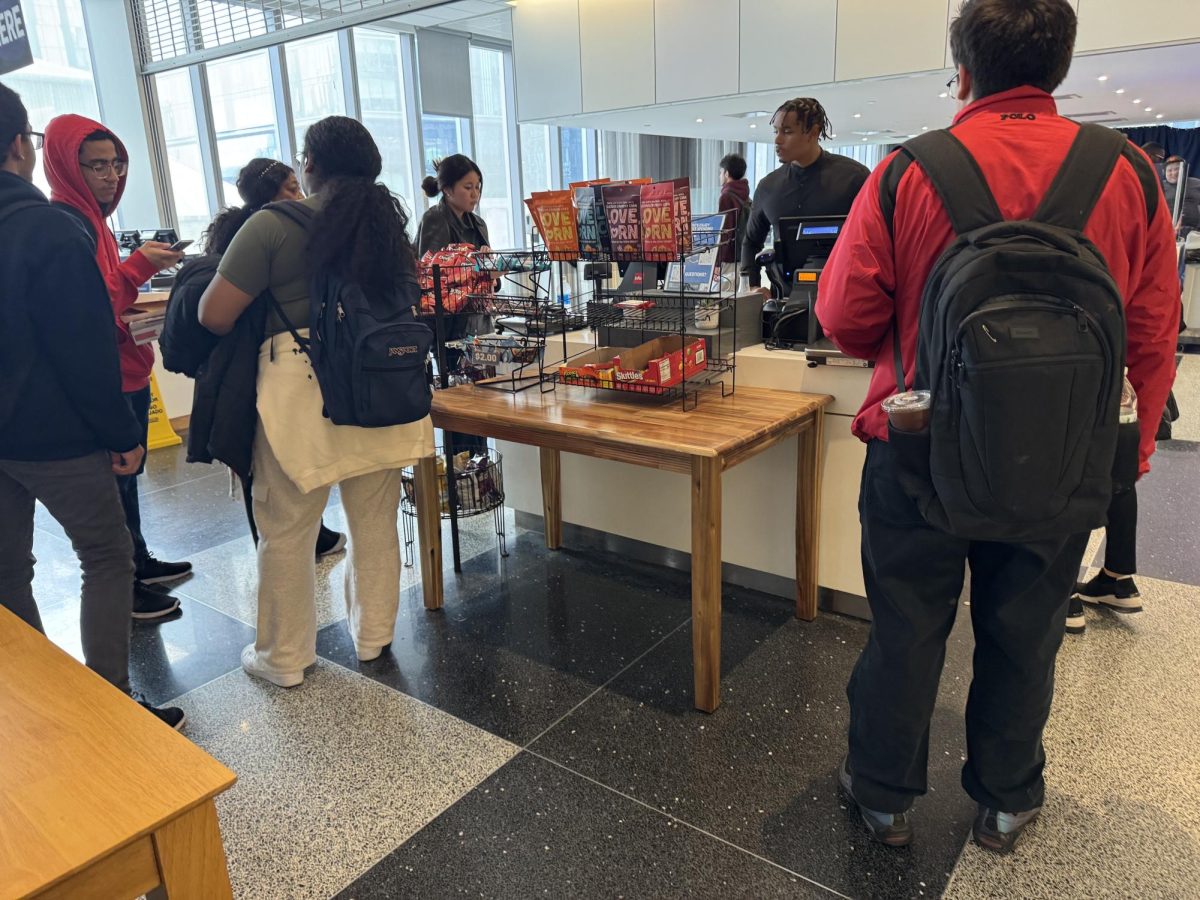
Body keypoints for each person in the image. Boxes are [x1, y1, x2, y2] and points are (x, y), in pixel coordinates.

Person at [816, 0, 1179, 854]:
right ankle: (1008, 799)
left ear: (963, 70)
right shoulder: (1125, 172)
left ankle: (882, 796)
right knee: (1027, 631)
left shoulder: (908, 172)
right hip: (1060, 457)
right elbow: (1154, 328)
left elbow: (843, 315)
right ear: (1057, 68)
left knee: (907, 627)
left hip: (918, 451)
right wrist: (1129, 454)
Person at [198, 116, 434, 688]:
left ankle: (283, 658)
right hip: (382, 389)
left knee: (287, 528)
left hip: (301, 395)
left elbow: (213, 313)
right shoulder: (387, 229)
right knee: (374, 520)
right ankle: (374, 637)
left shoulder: (272, 226)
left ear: (310, 164)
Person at [0, 82, 184, 729]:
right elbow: (81, 346)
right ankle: (112, 713)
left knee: (7, 571)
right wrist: (120, 432)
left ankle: (38, 709)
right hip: (55, 435)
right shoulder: (47, 228)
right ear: (24, 148)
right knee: (107, 556)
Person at [43, 114, 191, 621]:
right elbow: (91, 306)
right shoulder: (67, 224)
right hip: (104, 376)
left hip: (126, 365)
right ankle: (125, 582)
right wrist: (139, 267)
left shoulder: (93, 220)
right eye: (97, 165)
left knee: (129, 483)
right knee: (116, 483)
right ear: (66, 165)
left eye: (117, 164)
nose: (111, 176)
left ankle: (138, 562)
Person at [178, 158, 346, 559]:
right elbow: (217, 313)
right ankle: (285, 540)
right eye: (291, 187)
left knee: (280, 463)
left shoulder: (250, 231)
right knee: (266, 466)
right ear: (268, 194)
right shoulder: (267, 232)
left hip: (250, 367)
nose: (300, 195)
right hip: (254, 367)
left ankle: (308, 532)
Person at [741, 97, 869, 296]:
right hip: (785, 304)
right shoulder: (768, 187)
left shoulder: (854, 178)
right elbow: (750, 241)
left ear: (814, 132)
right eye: (776, 131)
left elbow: (876, 239)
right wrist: (752, 286)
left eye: (787, 131)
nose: (777, 140)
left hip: (844, 299)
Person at [417, 153, 490, 455]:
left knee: (481, 401)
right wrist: (478, 267)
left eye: (477, 187)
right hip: (448, 327)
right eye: (467, 187)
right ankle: (460, 476)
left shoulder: (478, 223)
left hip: (478, 322)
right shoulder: (435, 219)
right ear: (447, 190)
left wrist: (490, 273)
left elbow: (487, 278)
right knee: (458, 404)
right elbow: (434, 276)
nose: (474, 194)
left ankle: (479, 471)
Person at [716, 152, 750, 267]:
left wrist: (717, 262)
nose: (719, 176)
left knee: (725, 285)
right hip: (743, 255)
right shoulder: (745, 193)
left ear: (727, 173)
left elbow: (726, 231)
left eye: (720, 172)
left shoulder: (726, 196)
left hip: (729, 259)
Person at [1163, 155, 1200, 233]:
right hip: (1168, 230)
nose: (1174, 173)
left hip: (1195, 231)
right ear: (1164, 172)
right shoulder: (1160, 187)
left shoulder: (1197, 183)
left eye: (1177, 169)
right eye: (1169, 170)